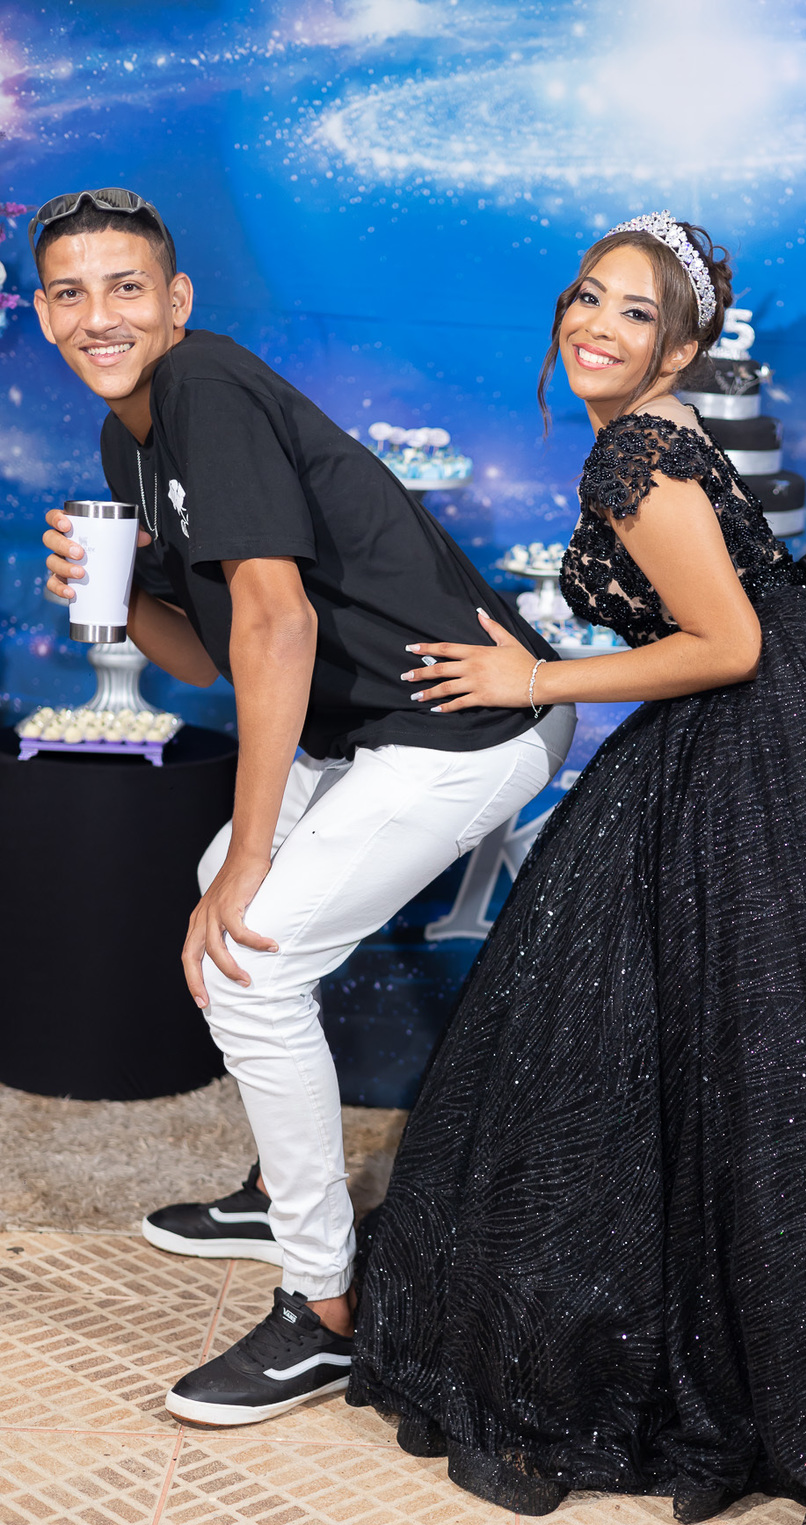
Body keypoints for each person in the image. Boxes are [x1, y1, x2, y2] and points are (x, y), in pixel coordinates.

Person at [347, 211, 806, 1525]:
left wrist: (532, 677)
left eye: (636, 312)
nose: (597, 326)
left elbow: (725, 643)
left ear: (681, 347)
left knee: (714, 1056)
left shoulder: (633, 449)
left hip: (768, 726)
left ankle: (781, 1384)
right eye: (587, 298)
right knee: (756, 1058)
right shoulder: (661, 431)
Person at [34, 188, 573, 1426]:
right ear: (45, 313)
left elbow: (278, 625)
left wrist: (252, 863)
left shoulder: (205, 386)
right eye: (70, 292)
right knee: (226, 901)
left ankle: (322, 1308)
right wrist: (116, 603)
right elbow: (206, 655)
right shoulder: (131, 439)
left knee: (248, 951)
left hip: (466, 724)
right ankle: (289, 1187)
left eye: (127, 287)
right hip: (373, 730)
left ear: (176, 301)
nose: (99, 314)